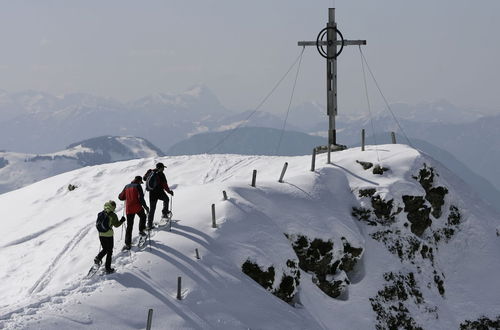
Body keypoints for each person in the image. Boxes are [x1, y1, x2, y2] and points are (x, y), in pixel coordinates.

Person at [118, 176, 150, 250]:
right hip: (137, 207)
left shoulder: (126, 186)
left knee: (129, 226)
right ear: (139, 181)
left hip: (129, 209)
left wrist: (127, 195)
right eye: (140, 182)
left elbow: (120, 197)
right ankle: (141, 231)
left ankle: (127, 244)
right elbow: (141, 198)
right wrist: (145, 207)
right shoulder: (137, 186)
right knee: (143, 216)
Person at [94, 200, 125, 274]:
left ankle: (98, 258)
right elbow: (116, 225)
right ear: (113, 207)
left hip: (101, 234)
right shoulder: (113, 215)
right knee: (109, 251)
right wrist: (122, 220)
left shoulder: (101, 213)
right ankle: (107, 268)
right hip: (109, 235)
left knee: (105, 249)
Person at [143, 162, 174, 229]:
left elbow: (144, 178)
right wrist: (169, 192)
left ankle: (149, 225)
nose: (163, 169)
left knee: (152, 209)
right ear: (160, 168)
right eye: (163, 168)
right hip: (160, 192)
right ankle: (164, 214)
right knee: (166, 199)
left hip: (152, 193)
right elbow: (165, 185)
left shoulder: (150, 171)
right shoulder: (161, 174)